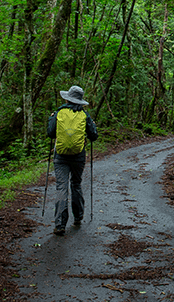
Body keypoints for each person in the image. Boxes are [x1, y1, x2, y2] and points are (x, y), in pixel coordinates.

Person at [47, 84, 98, 236]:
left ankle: (60, 224)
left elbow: (50, 133)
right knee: (76, 184)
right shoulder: (84, 115)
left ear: (67, 99)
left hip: (60, 156)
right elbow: (94, 136)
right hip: (78, 156)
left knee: (61, 187)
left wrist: (51, 120)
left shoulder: (59, 112)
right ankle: (78, 216)